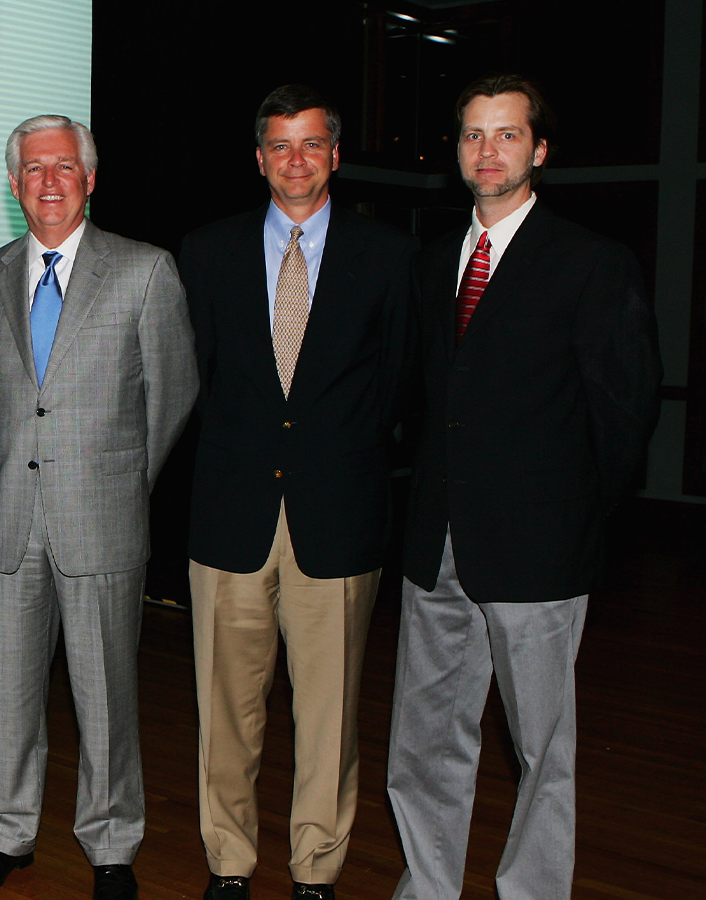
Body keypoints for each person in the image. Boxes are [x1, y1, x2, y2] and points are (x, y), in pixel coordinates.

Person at [387, 74, 661, 900]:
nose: (487, 150)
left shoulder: (592, 262)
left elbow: (624, 414)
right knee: (426, 739)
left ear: (539, 150)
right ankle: (428, 886)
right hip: (436, 543)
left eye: (506, 135)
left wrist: (574, 518)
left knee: (544, 747)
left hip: (539, 550)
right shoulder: (436, 263)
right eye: (473, 134)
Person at [179, 85, 418, 900]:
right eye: (280, 145)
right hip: (229, 519)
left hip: (338, 518)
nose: (295, 159)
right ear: (258, 158)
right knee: (225, 717)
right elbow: (193, 382)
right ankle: (229, 865)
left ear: (336, 155)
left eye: (311, 144)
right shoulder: (207, 252)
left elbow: (393, 390)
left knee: (329, 717)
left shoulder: (388, 257)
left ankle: (317, 870)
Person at [0, 115, 197, 900]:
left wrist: (118, 482)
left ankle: (111, 843)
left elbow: (172, 395)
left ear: (90, 179)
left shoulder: (145, 270)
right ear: (14, 184)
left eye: (64, 166)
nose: (49, 181)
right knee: (11, 694)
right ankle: (8, 831)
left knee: (105, 695)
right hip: (8, 522)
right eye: (32, 169)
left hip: (102, 520)